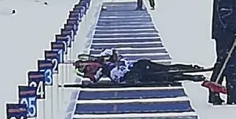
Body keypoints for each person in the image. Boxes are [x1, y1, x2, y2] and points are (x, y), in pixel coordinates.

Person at [75, 49, 208, 85]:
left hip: (138, 65)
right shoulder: (98, 71)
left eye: (86, 66)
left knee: (166, 69)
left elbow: (114, 52)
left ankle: (191, 68)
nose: (88, 68)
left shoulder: (102, 56)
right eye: (85, 69)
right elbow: (94, 79)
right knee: (165, 76)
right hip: (132, 75)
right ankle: (191, 77)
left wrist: (108, 58)